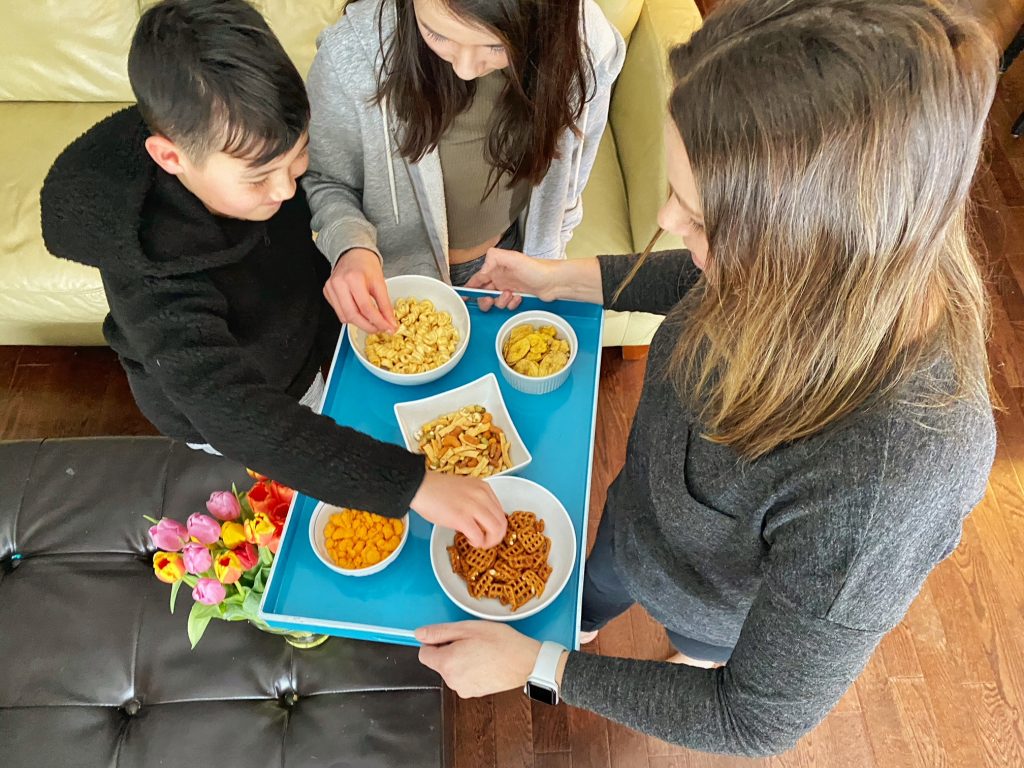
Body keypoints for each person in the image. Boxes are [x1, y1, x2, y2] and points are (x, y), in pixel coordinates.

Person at [414, 0, 998, 755]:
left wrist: (541, 665)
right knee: (604, 573)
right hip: (640, 514)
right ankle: (586, 615)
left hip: (711, 606)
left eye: (697, 215)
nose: (664, 216)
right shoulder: (801, 269)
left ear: (804, 244)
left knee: (694, 650)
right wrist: (560, 277)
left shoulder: (896, 477)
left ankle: (675, 647)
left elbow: (752, 718)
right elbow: (704, 280)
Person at [40, 0, 506, 549]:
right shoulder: (148, 268)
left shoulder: (259, 156)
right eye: (261, 178)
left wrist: (350, 251)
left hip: (306, 337)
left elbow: (311, 198)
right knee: (301, 480)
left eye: (299, 157)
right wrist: (413, 483)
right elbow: (235, 414)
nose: (286, 191)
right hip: (239, 405)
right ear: (170, 158)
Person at [303, 0, 626, 334]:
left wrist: (542, 264)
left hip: (516, 266)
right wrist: (351, 247)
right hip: (397, 286)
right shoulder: (351, 55)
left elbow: (570, 182)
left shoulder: (585, 47)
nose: (465, 69)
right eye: (438, 34)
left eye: (495, 46)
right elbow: (326, 180)